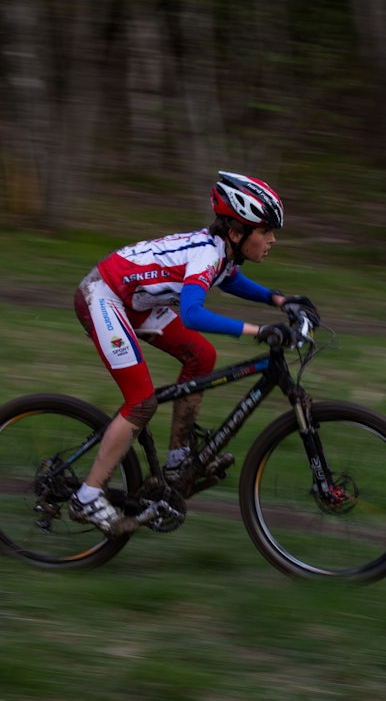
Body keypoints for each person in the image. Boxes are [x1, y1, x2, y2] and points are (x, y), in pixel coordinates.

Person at [70, 171, 313, 536]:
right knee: (141, 402)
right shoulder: (205, 255)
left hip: (135, 300)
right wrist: (259, 331)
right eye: (265, 231)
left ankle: (177, 460)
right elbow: (193, 313)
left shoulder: (221, 252)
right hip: (102, 296)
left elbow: (228, 278)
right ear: (236, 232)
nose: (272, 240)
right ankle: (87, 496)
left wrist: (279, 300)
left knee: (201, 357)